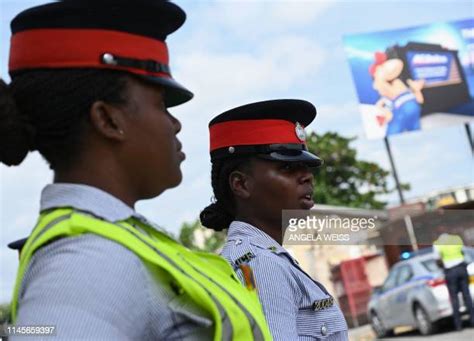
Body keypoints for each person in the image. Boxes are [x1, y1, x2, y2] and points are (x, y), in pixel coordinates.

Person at [1, 1, 271, 339]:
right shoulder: (86, 262)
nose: (175, 124)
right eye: (161, 105)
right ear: (108, 120)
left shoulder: (110, 242)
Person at [200, 99, 349, 340]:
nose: (307, 177)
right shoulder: (259, 264)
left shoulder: (265, 257)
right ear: (241, 184)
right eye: (288, 168)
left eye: (306, 167)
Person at [434, 231, 474, 330]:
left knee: (454, 298)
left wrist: (442, 267)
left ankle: (458, 325)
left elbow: (437, 259)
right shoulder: (456, 238)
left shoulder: (437, 243)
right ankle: (473, 320)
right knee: (467, 296)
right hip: (461, 269)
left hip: (450, 272)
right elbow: (463, 252)